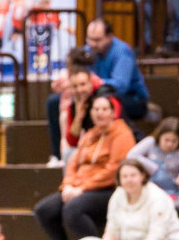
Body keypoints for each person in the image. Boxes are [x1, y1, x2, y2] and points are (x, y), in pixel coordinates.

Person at [33, 93, 135, 240]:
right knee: (44, 210)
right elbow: (73, 163)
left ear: (113, 112)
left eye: (104, 109)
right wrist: (68, 185)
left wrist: (82, 188)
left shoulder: (122, 134)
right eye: (96, 109)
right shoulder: (90, 134)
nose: (99, 113)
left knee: (73, 209)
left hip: (106, 189)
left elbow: (114, 169)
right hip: (78, 188)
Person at [45, 18, 147, 147]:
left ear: (109, 37)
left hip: (132, 98)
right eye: (90, 39)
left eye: (98, 40)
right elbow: (78, 72)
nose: (93, 44)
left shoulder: (122, 51)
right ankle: (58, 154)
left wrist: (94, 82)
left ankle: (101, 147)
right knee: (54, 102)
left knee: (100, 103)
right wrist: (65, 83)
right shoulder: (88, 50)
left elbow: (120, 86)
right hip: (96, 92)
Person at [45, 52, 124, 167]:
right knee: (69, 154)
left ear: (91, 83)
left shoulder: (106, 97)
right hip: (92, 146)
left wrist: (89, 141)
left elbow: (114, 127)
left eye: (83, 84)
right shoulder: (74, 105)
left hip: (112, 144)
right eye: (75, 86)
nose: (79, 90)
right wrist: (79, 116)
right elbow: (72, 141)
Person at [128, 117, 179, 196]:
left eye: (174, 141)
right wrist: (153, 167)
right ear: (159, 136)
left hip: (173, 193)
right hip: (150, 191)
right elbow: (131, 155)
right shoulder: (151, 143)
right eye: (166, 140)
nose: (169, 144)